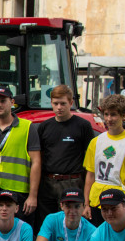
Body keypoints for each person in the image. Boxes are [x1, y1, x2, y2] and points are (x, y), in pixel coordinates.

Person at [36, 84, 95, 226]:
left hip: (73, 182)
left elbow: (91, 159)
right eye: (55, 104)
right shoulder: (44, 127)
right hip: (48, 183)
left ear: (71, 103)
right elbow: (40, 157)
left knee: (71, 224)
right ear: (51, 103)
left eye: (63, 103)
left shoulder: (83, 126)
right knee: (48, 224)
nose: (59, 107)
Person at [83, 94, 125, 225]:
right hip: (97, 201)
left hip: (120, 201)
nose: (109, 119)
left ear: (123, 115)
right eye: (106, 114)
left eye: (113, 114)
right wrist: (86, 204)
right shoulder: (96, 142)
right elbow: (90, 174)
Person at [0, 86, 41, 223]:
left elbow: (36, 162)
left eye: (3, 101)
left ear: (12, 102)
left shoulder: (27, 127)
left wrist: (32, 195)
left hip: (19, 192)